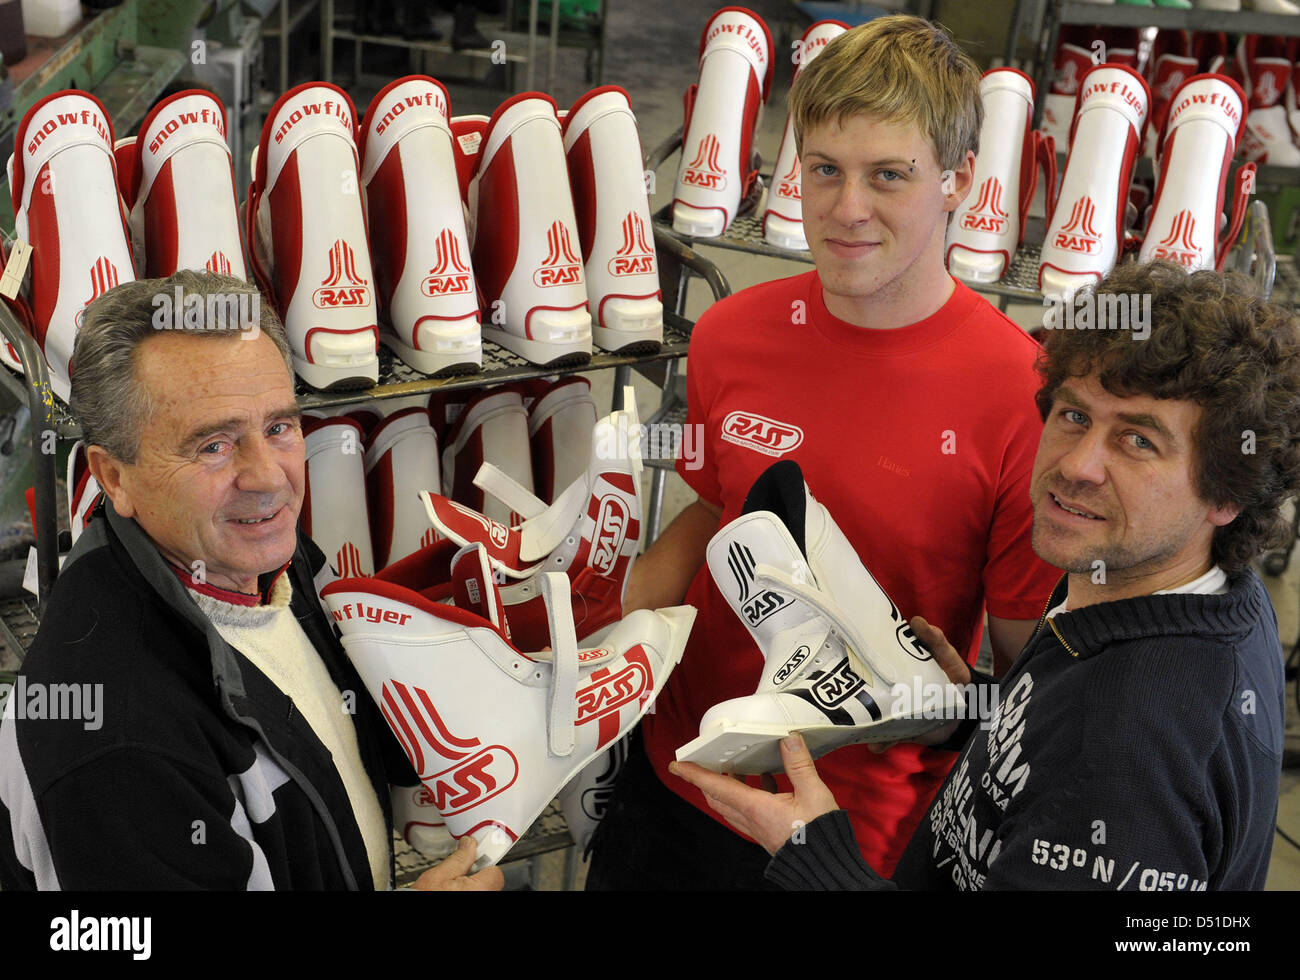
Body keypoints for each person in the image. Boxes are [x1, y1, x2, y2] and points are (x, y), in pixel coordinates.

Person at [585, 14, 1061, 889]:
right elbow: (711, 510)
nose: (847, 211)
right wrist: (597, 627)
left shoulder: (1021, 396)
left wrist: (960, 712)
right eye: (825, 171)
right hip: (676, 780)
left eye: (889, 176)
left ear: (957, 181)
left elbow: (1029, 675)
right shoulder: (730, 334)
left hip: (843, 841)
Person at [674, 260, 1296, 890]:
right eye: (1074, 416)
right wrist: (962, 709)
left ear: (1229, 492)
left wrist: (814, 856)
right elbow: (1052, 753)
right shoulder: (1185, 589)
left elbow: (1096, 761)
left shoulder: (1131, 749)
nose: (1077, 466)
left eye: (1139, 442)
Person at [0, 270, 501, 891]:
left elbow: (333, 730)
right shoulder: (118, 741)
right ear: (115, 476)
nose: (268, 477)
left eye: (279, 427)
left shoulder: (264, 557)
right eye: (213, 445)